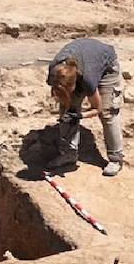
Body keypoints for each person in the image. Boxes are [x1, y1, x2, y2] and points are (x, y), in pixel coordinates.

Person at [46, 38, 125, 177]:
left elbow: (98, 108)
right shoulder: (55, 72)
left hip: (107, 67)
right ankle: (68, 154)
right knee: (66, 111)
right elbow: (61, 94)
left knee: (108, 113)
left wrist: (80, 116)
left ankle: (116, 159)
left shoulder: (88, 79)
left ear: (75, 84)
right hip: (82, 64)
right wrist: (70, 113)